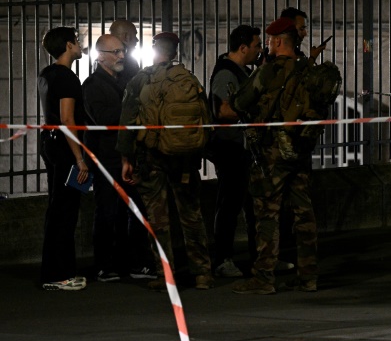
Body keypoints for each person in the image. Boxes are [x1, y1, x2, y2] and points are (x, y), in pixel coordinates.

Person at [117, 32, 215, 291]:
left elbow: (126, 121)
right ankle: (203, 273)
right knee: (191, 215)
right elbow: (205, 119)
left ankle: (166, 275)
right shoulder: (189, 80)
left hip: (150, 158)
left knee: (158, 219)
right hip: (184, 159)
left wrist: (126, 159)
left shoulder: (140, 81)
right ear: (175, 53)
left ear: (154, 50)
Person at [232, 17, 319, 295]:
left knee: (267, 213)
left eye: (270, 41)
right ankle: (308, 276)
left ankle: (264, 277)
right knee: (304, 213)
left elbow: (239, 102)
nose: (267, 45)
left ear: (279, 42)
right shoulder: (308, 70)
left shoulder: (268, 72)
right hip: (300, 150)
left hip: (272, 152)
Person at [82, 34, 156, 282]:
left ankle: (135, 263)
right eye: (115, 52)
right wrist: (132, 105)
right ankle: (105, 265)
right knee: (107, 212)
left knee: (136, 211)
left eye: (122, 51)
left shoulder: (126, 81)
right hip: (107, 158)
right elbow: (102, 118)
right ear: (100, 56)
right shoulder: (92, 86)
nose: (122, 56)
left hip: (129, 155)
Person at [37, 26, 89, 291]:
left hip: (50, 144)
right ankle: (59, 275)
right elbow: (68, 119)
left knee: (58, 209)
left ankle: (57, 271)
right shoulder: (67, 77)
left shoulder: (46, 75)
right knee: (65, 211)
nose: (80, 45)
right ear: (68, 46)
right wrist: (80, 158)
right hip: (66, 150)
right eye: (77, 41)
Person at [208, 25, 262, 278]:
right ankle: (222, 259)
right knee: (229, 205)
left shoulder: (241, 71)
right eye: (256, 46)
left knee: (249, 205)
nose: (259, 50)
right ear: (243, 48)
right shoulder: (226, 74)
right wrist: (252, 113)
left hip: (239, 146)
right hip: (229, 147)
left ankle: (260, 258)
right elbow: (222, 111)